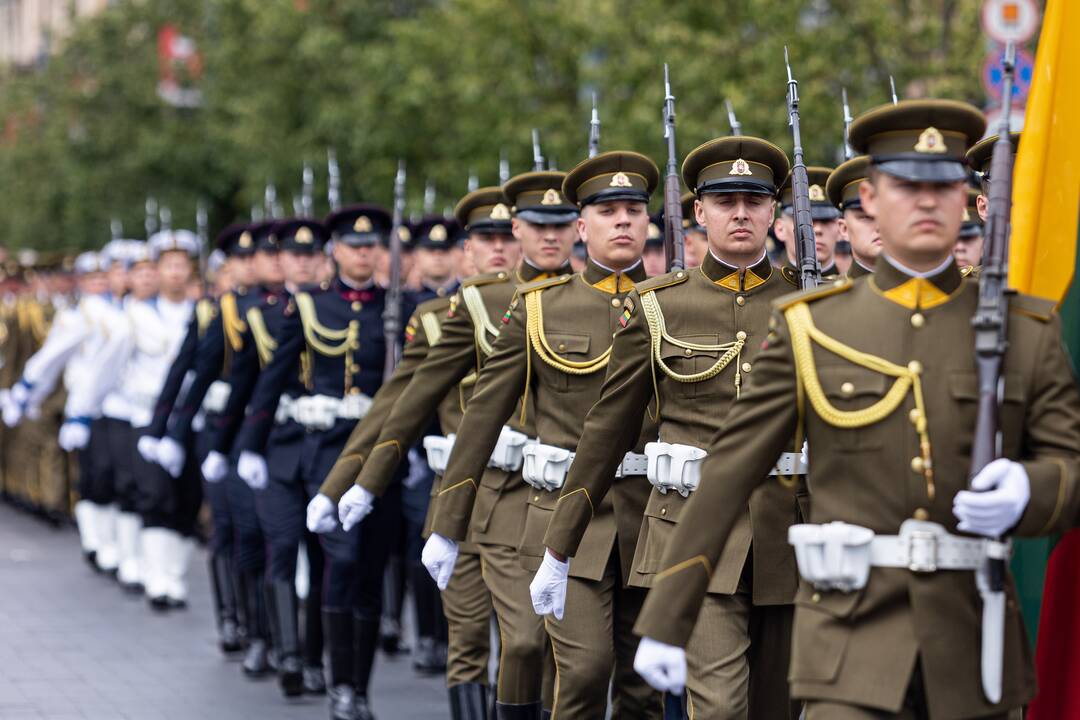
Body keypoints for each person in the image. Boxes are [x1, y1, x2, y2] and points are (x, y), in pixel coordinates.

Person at [633, 99, 1080, 720]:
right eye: (906, 185)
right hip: (849, 642)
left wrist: (1032, 489)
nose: (926, 201)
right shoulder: (814, 328)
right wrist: (669, 613)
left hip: (972, 639)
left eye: (944, 185)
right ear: (870, 199)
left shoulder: (1024, 327)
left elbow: (1070, 464)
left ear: (966, 201)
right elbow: (729, 471)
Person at [538, 136, 802, 719]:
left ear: (775, 214)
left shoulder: (808, 304)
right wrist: (559, 548)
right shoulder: (658, 306)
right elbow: (606, 431)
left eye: (754, 201)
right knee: (719, 710)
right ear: (698, 213)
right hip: (692, 536)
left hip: (789, 534)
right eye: (725, 201)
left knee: (777, 710)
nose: (740, 213)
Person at [422, 153, 661, 718]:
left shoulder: (675, 306)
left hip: (650, 516)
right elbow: (481, 418)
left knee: (643, 690)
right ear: (584, 228)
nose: (623, 221)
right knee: (582, 672)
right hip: (561, 519)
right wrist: (448, 523)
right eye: (608, 211)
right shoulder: (539, 309)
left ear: (650, 224)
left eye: (634, 210)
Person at [234, 208, 393, 720]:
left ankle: (359, 686)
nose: (364, 252)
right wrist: (251, 446)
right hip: (327, 455)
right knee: (340, 561)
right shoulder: (309, 307)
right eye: (354, 245)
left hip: (384, 453)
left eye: (372, 245)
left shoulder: (398, 308)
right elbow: (271, 379)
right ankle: (340, 684)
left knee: (370, 570)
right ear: (337, 252)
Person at [772, 166, 842, 279]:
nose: (817, 230)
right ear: (780, 229)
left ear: (840, 229)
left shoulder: (857, 292)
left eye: (827, 221)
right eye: (805, 221)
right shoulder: (772, 293)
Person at [827, 156, 880, 279]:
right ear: (844, 229)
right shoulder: (831, 297)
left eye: (886, 216)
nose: (879, 226)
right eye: (866, 218)